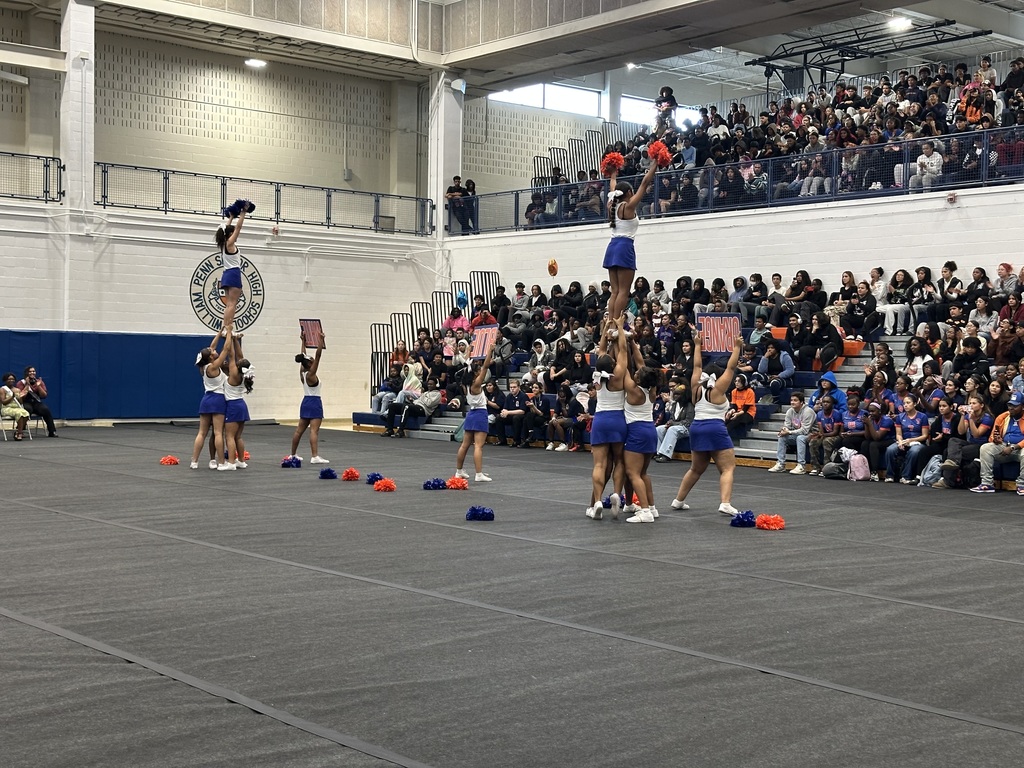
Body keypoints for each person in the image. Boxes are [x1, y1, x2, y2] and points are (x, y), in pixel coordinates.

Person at [669, 333, 744, 516]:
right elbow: (731, 366)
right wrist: (737, 347)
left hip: (697, 427)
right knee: (727, 467)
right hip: (714, 428)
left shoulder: (695, 387)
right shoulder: (718, 389)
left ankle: (678, 500)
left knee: (696, 468)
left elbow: (696, 365)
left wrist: (697, 345)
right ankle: (725, 503)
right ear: (716, 377)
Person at [616, 319, 663, 523]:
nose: (635, 372)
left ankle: (644, 511)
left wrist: (621, 336)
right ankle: (651, 508)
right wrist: (633, 342)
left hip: (637, 431)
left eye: (637, 374)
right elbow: (642, 364)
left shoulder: (634, 391)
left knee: (632, 472)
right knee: (643, 473)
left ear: (639, 379)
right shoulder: (651, 389)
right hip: (650, 431)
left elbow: (623, 366)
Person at [604, 159, 658, 322]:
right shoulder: (628, 206)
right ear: (628, 193)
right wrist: (655, 164)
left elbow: (613, 185)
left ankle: (609, 323)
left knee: (614, 291)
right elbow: (644, 183)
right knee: (623, 291)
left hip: (612, 247)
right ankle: (615, 323)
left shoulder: (611, 204)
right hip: (624, 246)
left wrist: (613, 173)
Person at [586, 318, 628, 520]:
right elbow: (623, 351)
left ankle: (596, 502)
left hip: (601, 420)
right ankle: (616, 494)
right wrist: (619, 328)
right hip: (618, 419)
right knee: (619, 460)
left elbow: (601, 350)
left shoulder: (596, 376)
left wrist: (604, 329)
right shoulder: (618, 375)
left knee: (599, 465)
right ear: (612, 364)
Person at [189, 329, 233, 470]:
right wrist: (230, 333)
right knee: (218, 432)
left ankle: (194, 461)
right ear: (211, 358)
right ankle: (221, 462)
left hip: (206, 399)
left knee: (202, 433)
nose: (214, 351)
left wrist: (220, 332)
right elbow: (226, 348)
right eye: (212, 352)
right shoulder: (214, 366)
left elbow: (211, 347)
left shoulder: (203, 366)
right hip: (218, 399)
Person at [454, 344, 496, 483]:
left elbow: (468, 365)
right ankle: (478, 474)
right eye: (477, 371)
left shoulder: (465, 384)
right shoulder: (476, 384)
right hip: (480, 414)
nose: (480, 372)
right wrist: (489, 351)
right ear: (475, 373)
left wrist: (469, 351)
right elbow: (485, 366)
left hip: (471, 414)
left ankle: (459, 471)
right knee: (478, 446)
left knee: (464, 445)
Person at [972, 391, 1024, 493]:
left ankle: (1022, 485)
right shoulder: (1003, 417)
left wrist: (1014, 447)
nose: (1011, 408)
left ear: (1022, 406)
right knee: (986, 448)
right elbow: (992, 436)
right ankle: (987, 483)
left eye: (1015, 406)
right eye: (1009, 405)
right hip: (1004, 446)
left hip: (1020, 449)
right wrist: (996, 440)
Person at [288, 331, 328, 464]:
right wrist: (320, 341)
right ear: (310, 364)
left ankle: (293, 454)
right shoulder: (311, 374)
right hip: (314, 402)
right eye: (311, 361)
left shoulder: (303, 373)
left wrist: (303, 342)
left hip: (305, 401)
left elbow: (303, 357)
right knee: (314, 431)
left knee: (299, 430)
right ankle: (315, 456)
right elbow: (318, 356)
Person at [215, 202, 249, 333]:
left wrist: (231, 216)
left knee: (229, 303)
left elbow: (227, 229)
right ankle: (229, 328)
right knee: (232, 304)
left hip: (226, 274)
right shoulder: (229, 243)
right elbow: (238, 228)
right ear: (230, 234)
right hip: (234, 273)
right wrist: (243, 213)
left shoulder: (224, 243)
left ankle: (225, 328)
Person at [884, 395, 930, 483]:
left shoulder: (922, 416)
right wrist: (901, 441)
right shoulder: (900, 417)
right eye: (904, 403)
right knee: (890, 449)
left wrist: (911, 440)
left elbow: (924, 435)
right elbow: (898, 434)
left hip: (918, 441)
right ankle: (890, 475)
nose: (905, 405)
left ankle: (906, 476)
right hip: (904, 440)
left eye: (908, 403)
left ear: (915, 404)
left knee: (914, 451)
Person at [768, 392, 816, 474]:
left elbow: (805, 431)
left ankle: (801, 465)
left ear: (801, 402)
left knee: (800, 438)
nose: (792, 402)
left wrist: (789, 432)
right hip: (797, 433)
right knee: (782, 437)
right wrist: (784, 430)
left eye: (795, 400)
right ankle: (781, 464)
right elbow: (787, 425)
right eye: (791, 400)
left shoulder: (808, 412)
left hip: (812, 434)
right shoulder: (790, 411)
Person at [224, 334, 253, 469]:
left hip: (233, 405)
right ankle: (241, 461)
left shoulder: (234, 374)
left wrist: (229, 336)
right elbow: (240, 357)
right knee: (238, 437)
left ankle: (230, 463)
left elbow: (231, 355)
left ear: (238, 366)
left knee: (229, 436)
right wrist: (236, 340)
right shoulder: (245, 374)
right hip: (241, 405)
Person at [14, 365, 57, 437]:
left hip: (36, 402)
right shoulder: (21, 383)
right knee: (27, 409)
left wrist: (39, 386)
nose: (32, 373)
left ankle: (52, 431)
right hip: (25, 401)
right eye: (30, 371)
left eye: (33, 371)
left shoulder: (39, 382)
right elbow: (21, 396)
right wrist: (27, 384)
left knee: (45, 410)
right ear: (26, 373)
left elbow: (44, 396)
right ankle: (21, 430)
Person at [1, 371, 29, 440]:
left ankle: (18, 431)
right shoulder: (2, 390)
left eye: (12, 379)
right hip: (6, 408)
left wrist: (20, 397)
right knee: (19, 413)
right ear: (5, 380)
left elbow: (21, 402)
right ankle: (19, 433)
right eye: (9, 379)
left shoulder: (17, 390)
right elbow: (3, 402)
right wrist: (12, 397)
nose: (11, 380)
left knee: (26, 413)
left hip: (17, 407)